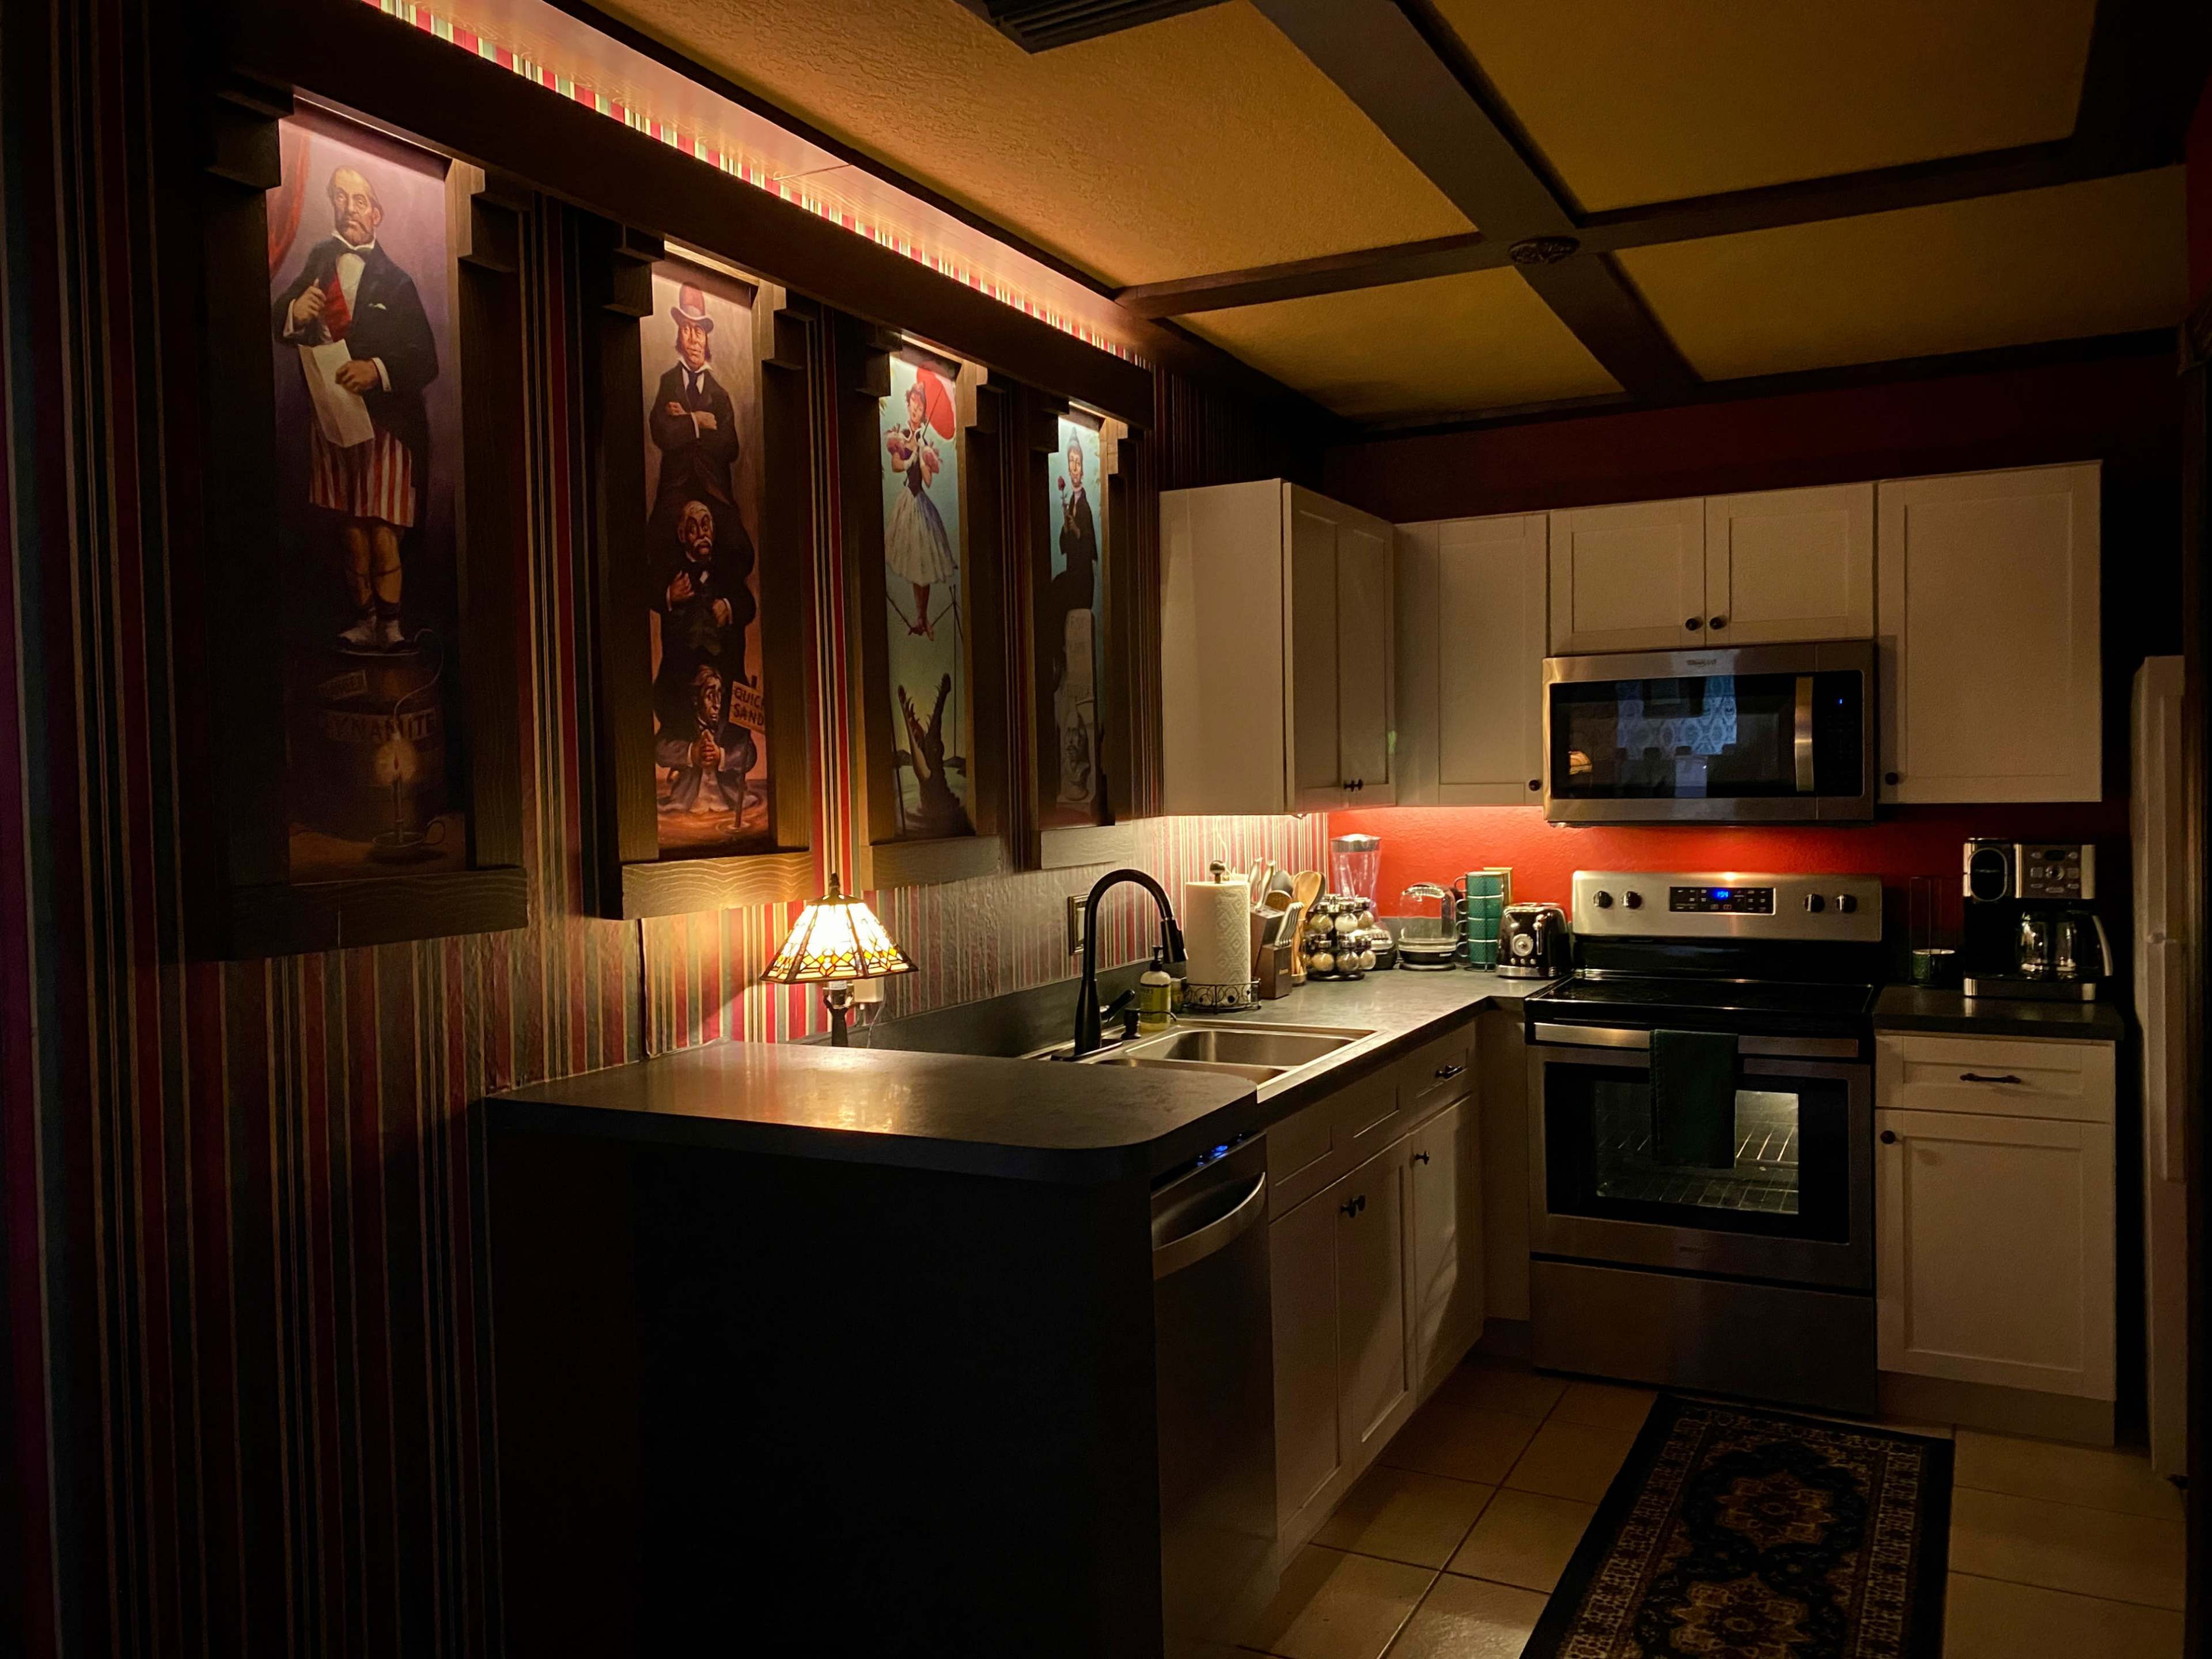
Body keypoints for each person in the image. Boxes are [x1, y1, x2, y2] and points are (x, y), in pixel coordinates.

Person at [274, 162, 439, 651]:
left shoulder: (398, 281)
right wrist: (294, 312)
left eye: (360, 200)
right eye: (341, 197)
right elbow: (280, 317)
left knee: (382, 528)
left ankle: (391, 627)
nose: (349, 209)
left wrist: (377, 369)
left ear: (377, 213)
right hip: (331, 418)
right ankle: (364, 621)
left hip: (386, 425)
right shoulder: (318, 260)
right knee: (349, 529)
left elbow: (425, 359)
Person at [649, 284, 741, 518]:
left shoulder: (720, 395)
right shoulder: (668, 383)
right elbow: (661, 433)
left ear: (706, 338)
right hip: (674, 491)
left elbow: (730, 448)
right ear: (679, 335)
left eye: (698, 331)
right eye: (686, 329)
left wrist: (682, 426)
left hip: (715, 492)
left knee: (738, 540)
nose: (693, 340)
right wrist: (697, 422)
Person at [883, 376, 957, 639]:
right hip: (907, 503)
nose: (916, 409)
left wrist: (924, 456)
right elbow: (895, 464)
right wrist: (909, 457)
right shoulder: (902, 436)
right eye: (914, 403)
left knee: (924, 566)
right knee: (914, 564)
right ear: (908, 405)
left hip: (922, 504)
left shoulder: (924, 443)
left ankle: (923, 618)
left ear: (925, 412)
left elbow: (927, 480)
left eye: (921, 406)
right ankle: (920, 617)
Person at [656, 661, 756, 817]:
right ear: (696, 699)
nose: (717, 704)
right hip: (687, 806)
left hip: (729, 805)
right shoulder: (682, 724)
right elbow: (660, 750)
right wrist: (692, 752)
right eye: (710, 696)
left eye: (719, 695)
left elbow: (749, 753)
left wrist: (721, 756)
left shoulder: (731, 726)